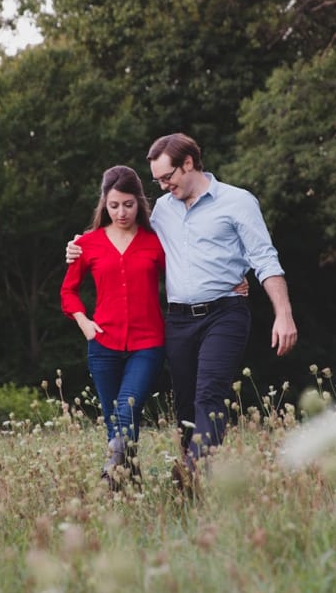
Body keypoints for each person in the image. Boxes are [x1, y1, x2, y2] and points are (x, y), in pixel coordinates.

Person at [68, 133, 298, 485]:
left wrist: (282, 312)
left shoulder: (237, 202)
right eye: (157, 180)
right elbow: (126, 247)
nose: (162, 186)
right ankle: (187, 478)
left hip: (225, 312)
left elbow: (265, 258)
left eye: (166, 177)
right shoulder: (163, 209)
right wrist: (78, 247)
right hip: (178, 320)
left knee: (210, 392)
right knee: (187, 404)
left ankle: (191, 473)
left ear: (188, 164)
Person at [61, 166, 166, 489]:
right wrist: (84, 323)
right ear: (104, 204)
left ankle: (109, 476)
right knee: (115, 423)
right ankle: (130, 486)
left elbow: (187, 275)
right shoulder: (87, 244)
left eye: (129, 205)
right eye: (114, 205)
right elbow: (68, 291)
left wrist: (233, 282)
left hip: (147, 344)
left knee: (126, 410)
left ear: (140, 203)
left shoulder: (156, 243)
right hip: (103, 344)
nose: (122, 212)